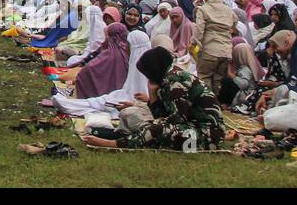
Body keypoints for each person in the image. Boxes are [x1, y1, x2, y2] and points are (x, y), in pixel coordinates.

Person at [83, 47, 225, 151]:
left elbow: (176, 120)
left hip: (207, 137)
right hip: (194, 129)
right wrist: (153, 95)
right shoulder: (169, 77)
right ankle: (121, 136)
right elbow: (164, 116)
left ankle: (115, 144)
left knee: (157, 130)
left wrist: (153, 101)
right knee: (135, 117)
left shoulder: (175, 82)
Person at [192, 0, 235, 94]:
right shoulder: (228, 10)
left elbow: (199, 31)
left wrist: (195, 45)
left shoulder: (203, 9)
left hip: (209, 51)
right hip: (226, 51)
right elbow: (235, 23)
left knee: (204, 77)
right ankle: (217, 104)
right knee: (218, 79)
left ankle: (207, 104)